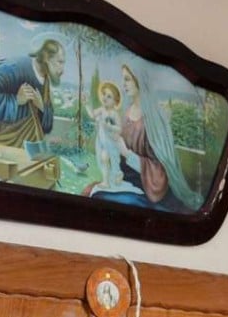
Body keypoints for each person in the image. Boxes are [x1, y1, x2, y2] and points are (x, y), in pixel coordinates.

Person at [93, 61, 203, 212]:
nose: (123, 84)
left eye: (127, 79)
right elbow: (119, 144)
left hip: (149, 185)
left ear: (139, 81)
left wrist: (125, 152)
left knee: (102, 199)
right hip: (125, 177)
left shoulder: (154, 118)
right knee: (96, 193)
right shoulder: (127, 112)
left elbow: (161, 166)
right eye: (123, 79)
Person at [0, 36, 65, 148]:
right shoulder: (12, 67)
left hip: (27, 147)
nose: (62, 70)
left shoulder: (45, 79)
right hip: (0, 141)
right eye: (60, 62)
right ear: (47, 58)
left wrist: (42, 107)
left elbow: (47, 126)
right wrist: (16, 100)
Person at [87, 81, 124, 189]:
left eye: (109, 96)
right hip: (101, 142)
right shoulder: (101, 110)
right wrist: (86, 104)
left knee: (113, 161)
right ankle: (106, 182)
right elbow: (92, 115)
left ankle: (118, 174)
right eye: (104, 94)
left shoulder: (114, 114)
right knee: (103, 159)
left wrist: (110, 127)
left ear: (115, 101)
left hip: (111, 142)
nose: (105, 98)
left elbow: (119, 129)